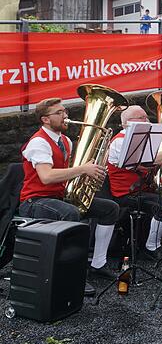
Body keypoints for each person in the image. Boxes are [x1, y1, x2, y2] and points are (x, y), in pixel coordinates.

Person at [19, 98, 120, 296]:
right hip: (35, 201)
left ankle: (98, 263)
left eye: (65, 111)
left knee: (110, 208)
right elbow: (46, 177)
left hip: (57, 197)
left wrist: (94, 168)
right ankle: (72, 275)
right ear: (45, 119)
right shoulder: (38, 142)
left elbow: (70, 173)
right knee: (71, 213)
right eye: (60, 113)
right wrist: (83, 169)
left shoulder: (65, 141)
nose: (66, 116)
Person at [107, 105, 162, 259]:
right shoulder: (119, 142)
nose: (147, 121)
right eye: (142, 118)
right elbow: (145, 162)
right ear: (127, 122)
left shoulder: (141, 138)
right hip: (125, 193)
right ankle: (150, 247)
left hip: (141, 189)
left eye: (146, 117)